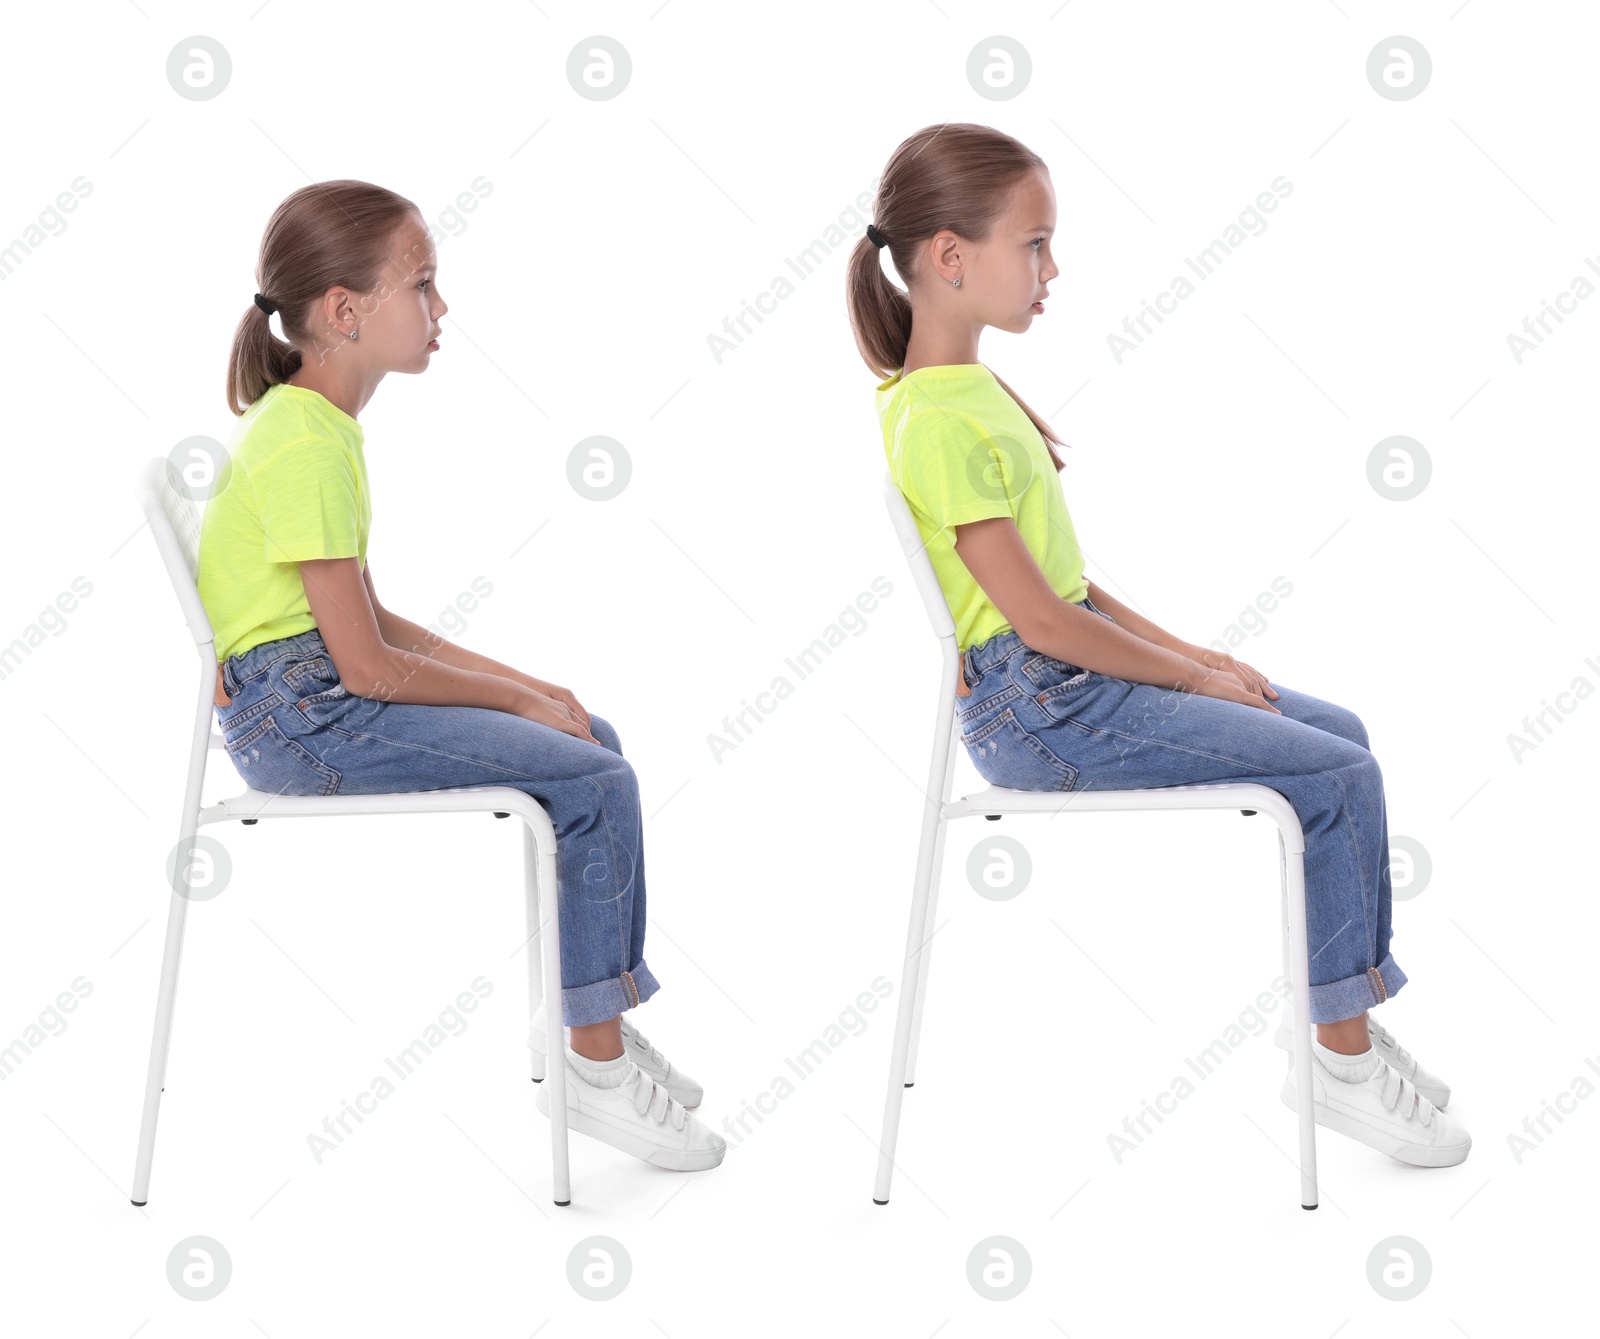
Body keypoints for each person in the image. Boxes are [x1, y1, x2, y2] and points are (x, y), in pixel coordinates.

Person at [846, 124, 1468, 1169]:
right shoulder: (934, 419)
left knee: (1340, 734)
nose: (1053, 270)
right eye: (1034, 244)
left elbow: (1071, 588)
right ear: (950, 257)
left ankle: (1333, 1020)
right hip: (1041, 710)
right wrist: (1191, 676)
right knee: (1334, 773)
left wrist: (1205, 655)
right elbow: (1039, 623)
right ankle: (1340, 1055)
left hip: (1063, 682)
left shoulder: (970, 395)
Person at [199, 179, 724, 1173]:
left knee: (592, 739)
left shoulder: (315, 427)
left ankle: (586, 1021)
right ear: (345, 311)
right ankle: (595, 1068)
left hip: (306, 695)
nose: (442, 310)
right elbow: (362, 663)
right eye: (423, 286)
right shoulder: (306, 438)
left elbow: (375, 621)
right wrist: (520, 698)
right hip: (306, 719)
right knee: (598, 780)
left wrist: (535, 685)